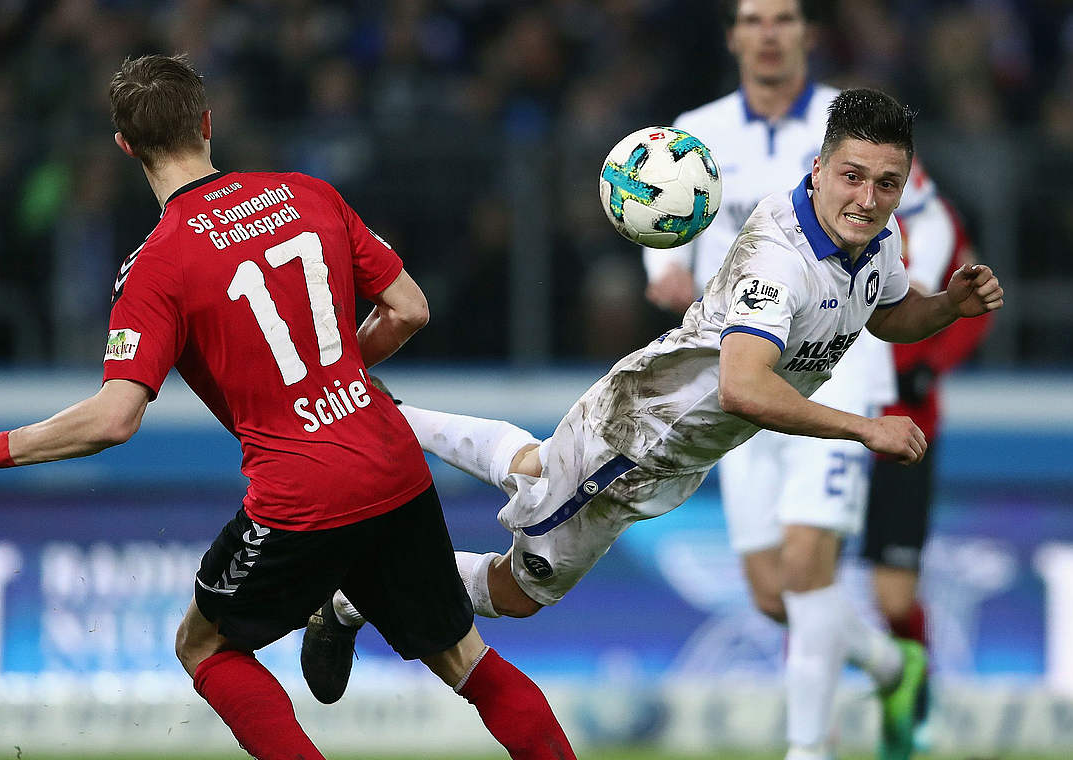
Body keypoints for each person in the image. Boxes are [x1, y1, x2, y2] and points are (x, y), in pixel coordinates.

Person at [304, 87, 1003, 760]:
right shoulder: (779, 264)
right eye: (853, 177)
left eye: (887, 183)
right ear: (818, 171)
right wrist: (864, 428)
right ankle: (351, 594)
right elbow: (743, 387)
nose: (869, 199)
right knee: (520, 591)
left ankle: (383, 410)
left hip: (654, 426)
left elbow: (884, 310)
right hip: (636, 442)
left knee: (540, 468)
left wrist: (946, 307)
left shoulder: (875, 243)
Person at [0, 54, 576, 760]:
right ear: (207, 123)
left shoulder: (156, 264)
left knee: (201, 645)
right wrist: (341, 374)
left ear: (125, 149)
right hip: (390, 460)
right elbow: (410, 309)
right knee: (467, 663)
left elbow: (116, 417)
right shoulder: (307, 194)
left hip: (302, 493)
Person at [641, 2, 945, 756]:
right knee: (774, 594)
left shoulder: (854, 128)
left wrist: (902, 293)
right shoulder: (699, 129)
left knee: (810, 572)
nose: (769, 31)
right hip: (744, 375)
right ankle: (887, 662)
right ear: (734, 36)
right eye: (753, 18)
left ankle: (809, 749)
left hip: (840, 372)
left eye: (783, 17)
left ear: (806, 34)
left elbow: (927, 220)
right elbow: (660, 213)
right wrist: (665, 267)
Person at [863, 162, 994, 704]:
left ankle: (909, 703)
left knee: (894, 600)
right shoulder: (820, 206)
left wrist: (930, 364)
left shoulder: (933, 216)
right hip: (824, 424)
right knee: (793, 585)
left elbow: (976, 306)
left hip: (906, 430)